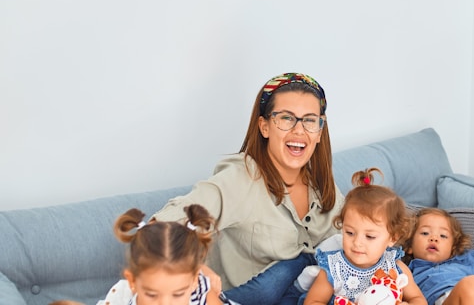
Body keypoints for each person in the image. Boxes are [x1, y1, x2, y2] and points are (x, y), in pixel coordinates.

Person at [152, 73, 344, 305]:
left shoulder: (323, 184)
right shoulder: (239, 180)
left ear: (320, 131)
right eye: (286, 118)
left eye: (310, 120)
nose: (299, 131)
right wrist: (194, 269)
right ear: (264, 127)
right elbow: (155, 231)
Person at [304, 168, 427, 305]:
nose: (357, 242)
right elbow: (313, 301)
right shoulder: (334, 269)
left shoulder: (394, 267)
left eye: (369, 236)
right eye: (350, 233)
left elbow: (418, 299)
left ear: (392, 238)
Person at [105, 204, 225, 305]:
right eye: (152, 295)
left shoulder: (200, 293)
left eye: (178, 294)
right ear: (132, 281)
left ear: (194, 281)